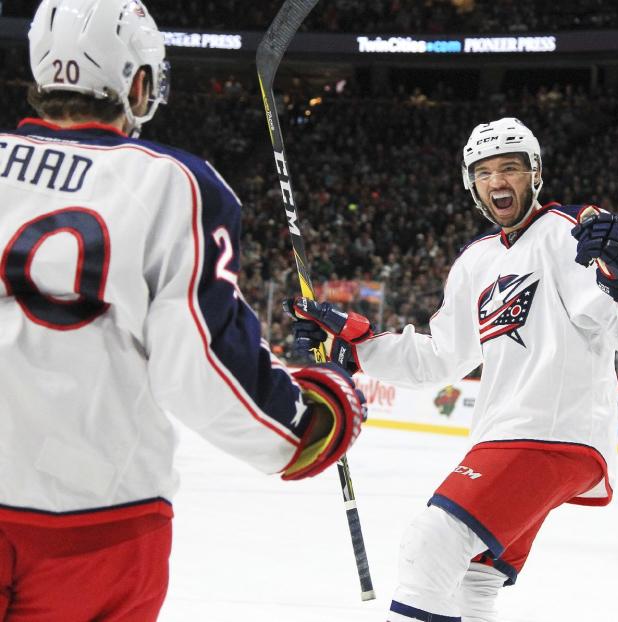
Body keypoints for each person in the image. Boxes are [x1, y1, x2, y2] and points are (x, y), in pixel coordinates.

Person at [0, 1, 364, 619]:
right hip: (93, 524)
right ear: (138, 82)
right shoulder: (173, 184)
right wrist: (313, 419)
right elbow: (199, 363)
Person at [288, 117, 618, 621]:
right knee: (475, 579)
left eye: (511, 168)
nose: (498, 181)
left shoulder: (571, 233)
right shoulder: (476, 260)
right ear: (471, 184)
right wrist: (357, 346)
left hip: (554, 434)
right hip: (505, 436)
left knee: (430, 544)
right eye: (486, 171)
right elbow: (440, 358)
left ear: (534, 173)